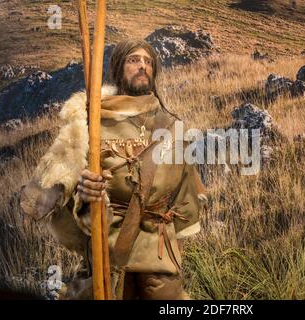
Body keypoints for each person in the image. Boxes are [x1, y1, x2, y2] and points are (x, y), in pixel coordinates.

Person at [19, 39, 207, 299]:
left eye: (148, 61)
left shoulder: (172, 125)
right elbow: (61, 187)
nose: (142, 66)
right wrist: (85, 195)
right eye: (134, 60)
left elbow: (185, 190)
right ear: (119, 69)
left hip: (160, 248)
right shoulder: (91, 123)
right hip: (109, 245)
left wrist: (177, 250)